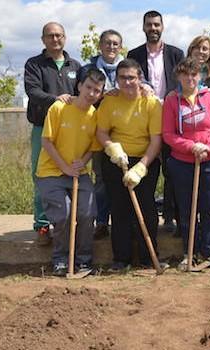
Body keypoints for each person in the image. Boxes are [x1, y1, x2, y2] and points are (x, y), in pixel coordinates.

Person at [162, 57, 210, 270]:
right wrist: (190, 147)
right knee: (186, 209)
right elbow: (168, 134)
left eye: (194, 74)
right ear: (179, 77)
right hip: (182, 162)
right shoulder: (172, 101)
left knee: (209, 208)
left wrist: (209, 146)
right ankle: (189, 252)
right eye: (185, 74)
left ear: (200, 76)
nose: (190, 78)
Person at [95, 59, 164, 271]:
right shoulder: (109, 102)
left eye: (131, 77)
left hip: (145, 160)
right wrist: (112, 149)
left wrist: (142, 167)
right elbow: (101, 132)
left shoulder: (151, 103)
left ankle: (147, 258)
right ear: (116, 79)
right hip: (117, 160)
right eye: (122, 78)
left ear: (140, 78)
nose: (127, 82)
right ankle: (121, 259)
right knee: (120, 209)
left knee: (146, 209)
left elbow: (156, 140)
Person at [36, 68, 105, 276]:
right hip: (51, 172)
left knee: (87, 212)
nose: (91, 93)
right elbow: (46, 141)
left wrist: (80, 163)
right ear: (79, 86)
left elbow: (92, 148)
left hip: (78, 172)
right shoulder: (59, 108)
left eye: (97, 90)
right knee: (64, 213)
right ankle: (61, 259)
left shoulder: (95, 116)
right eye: (89, 87)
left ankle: (83, 260)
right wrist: (64, 167)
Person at [24, 22, 82, 245]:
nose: (55, 39)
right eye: (50, 36)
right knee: (41, 175)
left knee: (70, 172)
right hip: (42, 128)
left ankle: (67, 223)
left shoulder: (75, 65)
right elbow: (33, 91)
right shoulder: (34, 64)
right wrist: (55, 100)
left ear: (65, 38)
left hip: (69, 131)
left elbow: (82, 94)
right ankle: (42, 225)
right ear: (43, 39)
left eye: (58, 35)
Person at [127, 10, 185, 234]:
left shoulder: (176, 53)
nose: (153, 28)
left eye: (156, 25)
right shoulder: (133, 55)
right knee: (147, 172)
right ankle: (144, 223)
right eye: (149, 25)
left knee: (174, 172)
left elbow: (182, 84)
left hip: (172, 119)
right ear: (143, 27)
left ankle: (176, 219)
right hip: (143, 122)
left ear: (163, 27)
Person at [78, 29, 124, 240]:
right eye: (107, 43)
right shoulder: (88, 69)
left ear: (120, 47)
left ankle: (124, 220)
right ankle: (102, 221)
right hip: (98, 130)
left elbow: (143, 86)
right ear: (100, 45)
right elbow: (80, 94)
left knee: (124, 175)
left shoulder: (127, 66)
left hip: (124, 130)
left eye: (115, 44)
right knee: (102, 177)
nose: (111, 47)